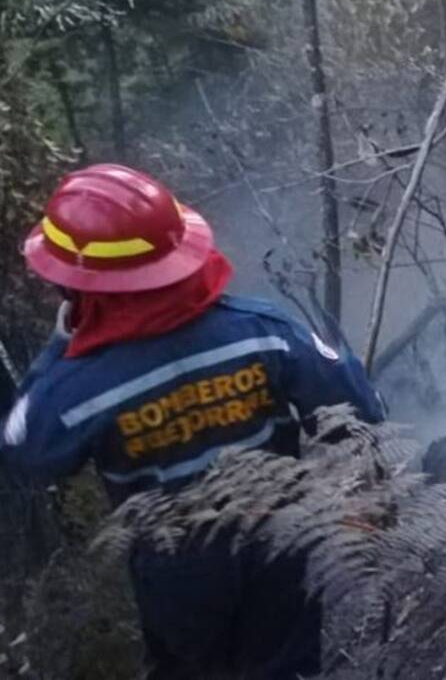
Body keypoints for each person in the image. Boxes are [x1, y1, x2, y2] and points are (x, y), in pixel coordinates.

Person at [0, 163, 385, 679]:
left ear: (82, 290)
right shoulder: (263, 330)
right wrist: (351, 500)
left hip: (177, 572)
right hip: (283, 548)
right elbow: (361, 407)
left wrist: (58, 347)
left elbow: (26, 451)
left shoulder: (80, 387)